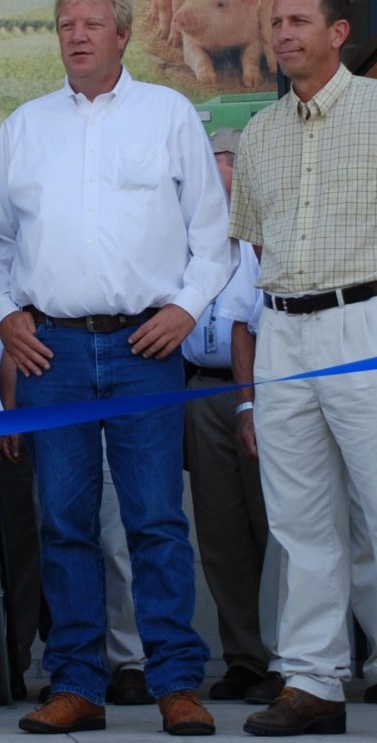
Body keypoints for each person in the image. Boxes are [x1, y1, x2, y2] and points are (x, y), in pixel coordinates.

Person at [0, 0, 234, 737]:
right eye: (66, 25)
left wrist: (185, 309)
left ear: (122, 34)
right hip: (50, 353)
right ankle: (77, 685)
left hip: (144, 346)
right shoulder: (26, 127)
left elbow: (212, 235)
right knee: (64, 523)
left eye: (92, 23)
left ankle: (175, 683)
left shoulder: (168, 113)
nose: (77, 36)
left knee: (155, 521)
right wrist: (7, 315)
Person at [228, 0, 377, 737]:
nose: (283, 34)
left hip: (365, 322)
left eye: (298, 21)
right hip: (283, 328)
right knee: (300, 521)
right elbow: (256, 247)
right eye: (276, 22)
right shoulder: (259, 132)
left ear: (338, 33)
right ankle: (314, 684)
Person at [179, 128, 274, 704]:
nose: (214, 183)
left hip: (263, 394)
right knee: (220, 534)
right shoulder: (188, 241)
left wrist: (250, 403)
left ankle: (287, 658)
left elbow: (250, 325)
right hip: (197, 393)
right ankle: (244, 658)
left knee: (274, 529)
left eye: (223, 167)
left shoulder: (264, 238)